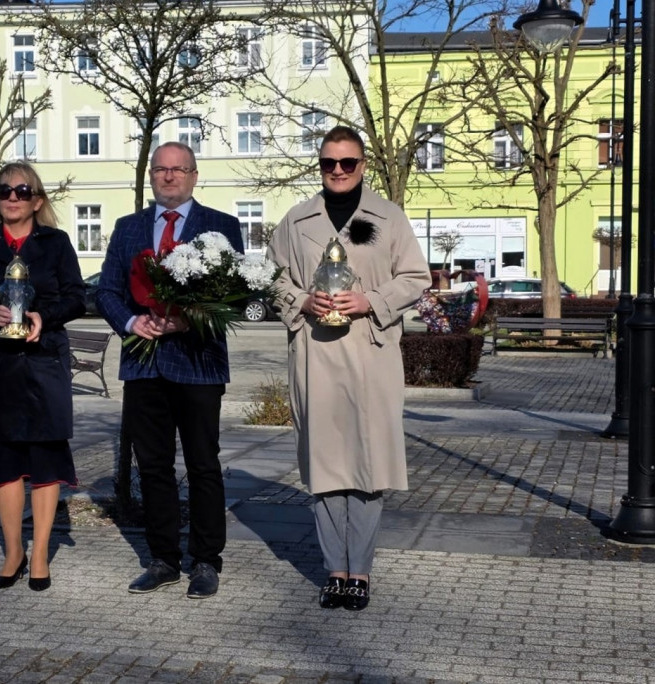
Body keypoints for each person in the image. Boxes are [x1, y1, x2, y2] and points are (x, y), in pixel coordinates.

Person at [267, 126, 430, 611]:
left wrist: (371, 300)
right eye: (328, 163)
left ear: (363, 165)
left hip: (371, 356)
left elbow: (415, 277)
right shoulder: (296, 220)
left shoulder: (389, 217)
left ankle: (360, 570)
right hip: (314, 356)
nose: (337, 170)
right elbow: (272, 278)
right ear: (319, 165)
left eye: (347, 162)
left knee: (368, 464)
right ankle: (334, 571)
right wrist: (302, 300)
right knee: (324, 465)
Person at [96, 141, 244, 599]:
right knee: (153, 467)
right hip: (144, 365)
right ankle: (163, 559)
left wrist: (189, 319)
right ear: (152, 176)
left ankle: (206, 560)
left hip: (198, 364)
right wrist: (131, 322)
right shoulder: (128, 228)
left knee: (203, 465)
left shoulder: (222, 226)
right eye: (161, 169)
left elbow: (236, 297)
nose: (169, 176)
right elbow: (106, 291)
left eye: (178, 169)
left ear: (194, 176)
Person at [0, 161, 86, 592]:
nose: (13, 198)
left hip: (43, 363)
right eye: (5, 191)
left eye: (22, 191)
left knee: (45, 459)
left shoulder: (56, 242)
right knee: (5, 461)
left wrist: (43, 316)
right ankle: (14, 552)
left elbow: (77, 298)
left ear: (37, 200)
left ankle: (41, 552)